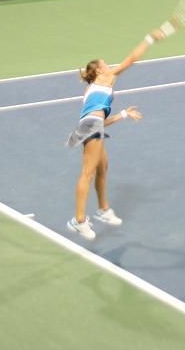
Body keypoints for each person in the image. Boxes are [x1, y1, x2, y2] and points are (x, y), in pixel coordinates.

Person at [65, 28, 165, 240]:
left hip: (93, 125)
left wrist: (123, 115)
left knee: (102, 168)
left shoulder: (93, 89)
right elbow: (131, 59)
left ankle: (103, 210)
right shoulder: (106, 79)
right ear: (100, 71)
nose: (109, 66)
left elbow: (99, 120)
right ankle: (78, 220)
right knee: (87, 173)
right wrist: (149, 39)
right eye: (105, 64)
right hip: (92, 126)